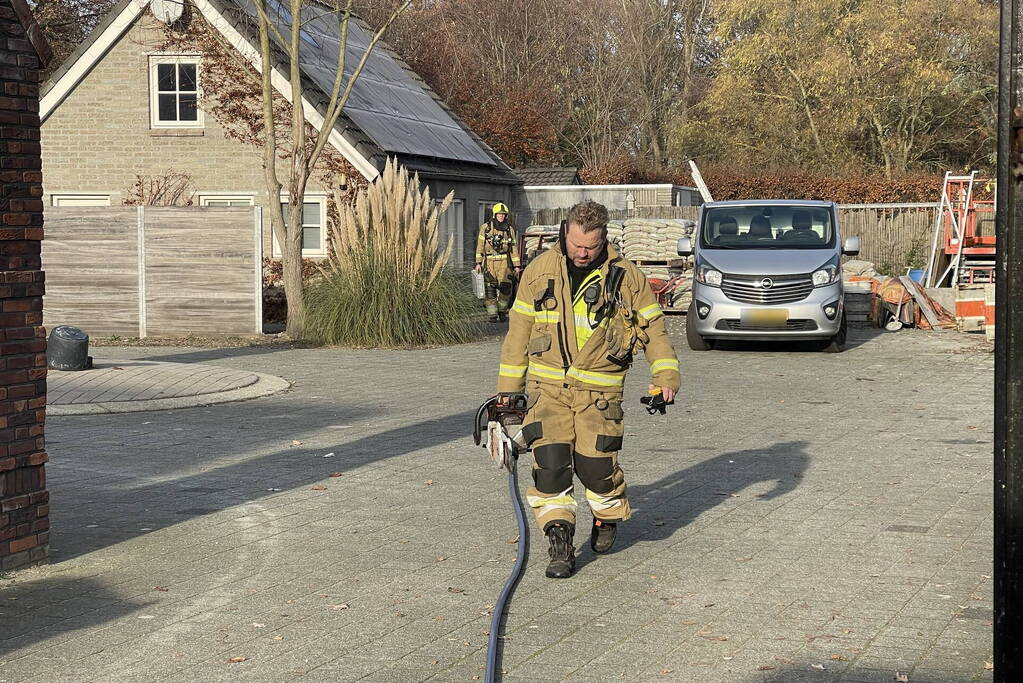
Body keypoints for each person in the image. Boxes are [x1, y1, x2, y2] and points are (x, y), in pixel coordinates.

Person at [494, 200, 680, 578]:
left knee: (597, 470)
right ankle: (560, 543)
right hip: (548, 390)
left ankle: (607, 516)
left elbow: (654, 332)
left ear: (604, 239)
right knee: (550, 467)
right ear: (565, 231)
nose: (581, 252)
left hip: (600, 396)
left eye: (590, 247)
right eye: (576, 243)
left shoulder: (627, 278)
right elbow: (517, 338)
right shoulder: (538, 272)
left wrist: (666, 377)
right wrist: (507, 393)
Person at [474, 203, 521, 322]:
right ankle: (492, 315)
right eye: (499, 214)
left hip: (504, 262)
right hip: (489, 262)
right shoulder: (486, 228)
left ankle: (502, 311)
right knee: (490, 288)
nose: (501, 216)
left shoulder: (509, 229)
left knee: (506, 288)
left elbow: (513, 248)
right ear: (495, 215)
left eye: (503, 215)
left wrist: (517, 266)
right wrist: (478, 263)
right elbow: (480, 246)